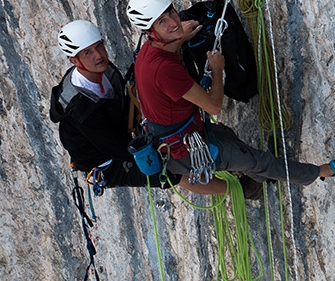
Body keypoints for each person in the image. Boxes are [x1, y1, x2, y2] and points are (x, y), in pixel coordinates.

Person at [126, 0, 335, 196]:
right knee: (257, 161)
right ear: (150, 31)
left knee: (229, 137)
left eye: (171, 13)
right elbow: (214, 106)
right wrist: (218, 70)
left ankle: (255, 182)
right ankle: (322, 172)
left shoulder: (150, 52)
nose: (173, 23)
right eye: (162, 22)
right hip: (185, 151)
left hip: (180, 138)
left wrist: (180, 37)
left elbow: (170, 50)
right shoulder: (164, 69)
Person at [48, 20, 217, 195]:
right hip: (105, 163)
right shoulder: (82, 110)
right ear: (75, 60)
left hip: (117, 133)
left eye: (99, 46)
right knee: (169, 171)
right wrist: (156, 154)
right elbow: (116, 148)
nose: (98, 55)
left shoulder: (102, 70)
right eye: (88, 53)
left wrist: (176, 37)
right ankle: (241, 190)